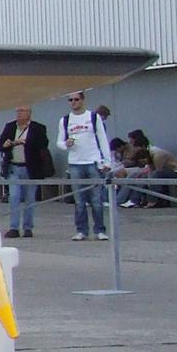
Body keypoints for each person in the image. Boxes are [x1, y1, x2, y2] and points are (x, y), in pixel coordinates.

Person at [57, 90, 111, 241]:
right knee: (79, 201)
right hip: (75, 163)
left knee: (96, 199)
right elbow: (59, 143)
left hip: (92, 161)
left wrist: (107, 162)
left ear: (82, 100)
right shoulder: (65, 120)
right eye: (70, 100)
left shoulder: (93, 117)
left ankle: (99, 229)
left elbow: (102, 139)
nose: (73, 102)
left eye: (76, 99)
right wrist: (66, 144)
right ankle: (81, 230)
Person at [0, 105, 52, 238]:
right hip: (14, 167)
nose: (19, 114)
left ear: (29, 113)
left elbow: (43, 144)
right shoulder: (10, 127)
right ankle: (14, 227)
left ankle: (27, 227)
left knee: (29, 199)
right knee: (14, 197)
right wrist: (9, 144)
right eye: (17, 111)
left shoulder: (38, 128)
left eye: (22, 111)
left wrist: (26, 142)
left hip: (30, 168)